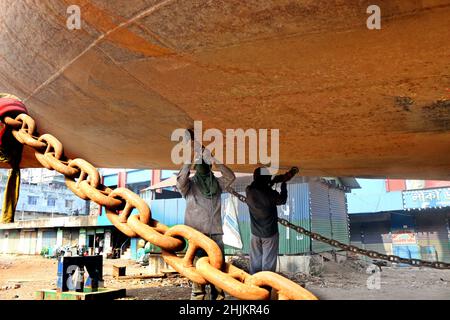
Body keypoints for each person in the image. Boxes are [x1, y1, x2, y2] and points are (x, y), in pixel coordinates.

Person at [176, 147, 235, 300]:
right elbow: (180, 180)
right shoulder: (188, 186)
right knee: (198, 274)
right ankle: (198, 298)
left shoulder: (216, 184)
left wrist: (214, 159)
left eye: (206, 164)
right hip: (196, 236)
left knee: (218, 273)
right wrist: (189, 161)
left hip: (215, 235)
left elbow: (231, 176)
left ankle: (218, 297)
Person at [245, 167, 287, 274]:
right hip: (270, 234)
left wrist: (271, 182)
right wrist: (283, 184)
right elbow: (282, 200)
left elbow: (259, 186)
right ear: (266, 179)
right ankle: (266, 287)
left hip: (255, 233)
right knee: (268, 263)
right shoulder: (270, 194)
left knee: (255, 262)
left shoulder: (249, 190)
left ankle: (254, 284)